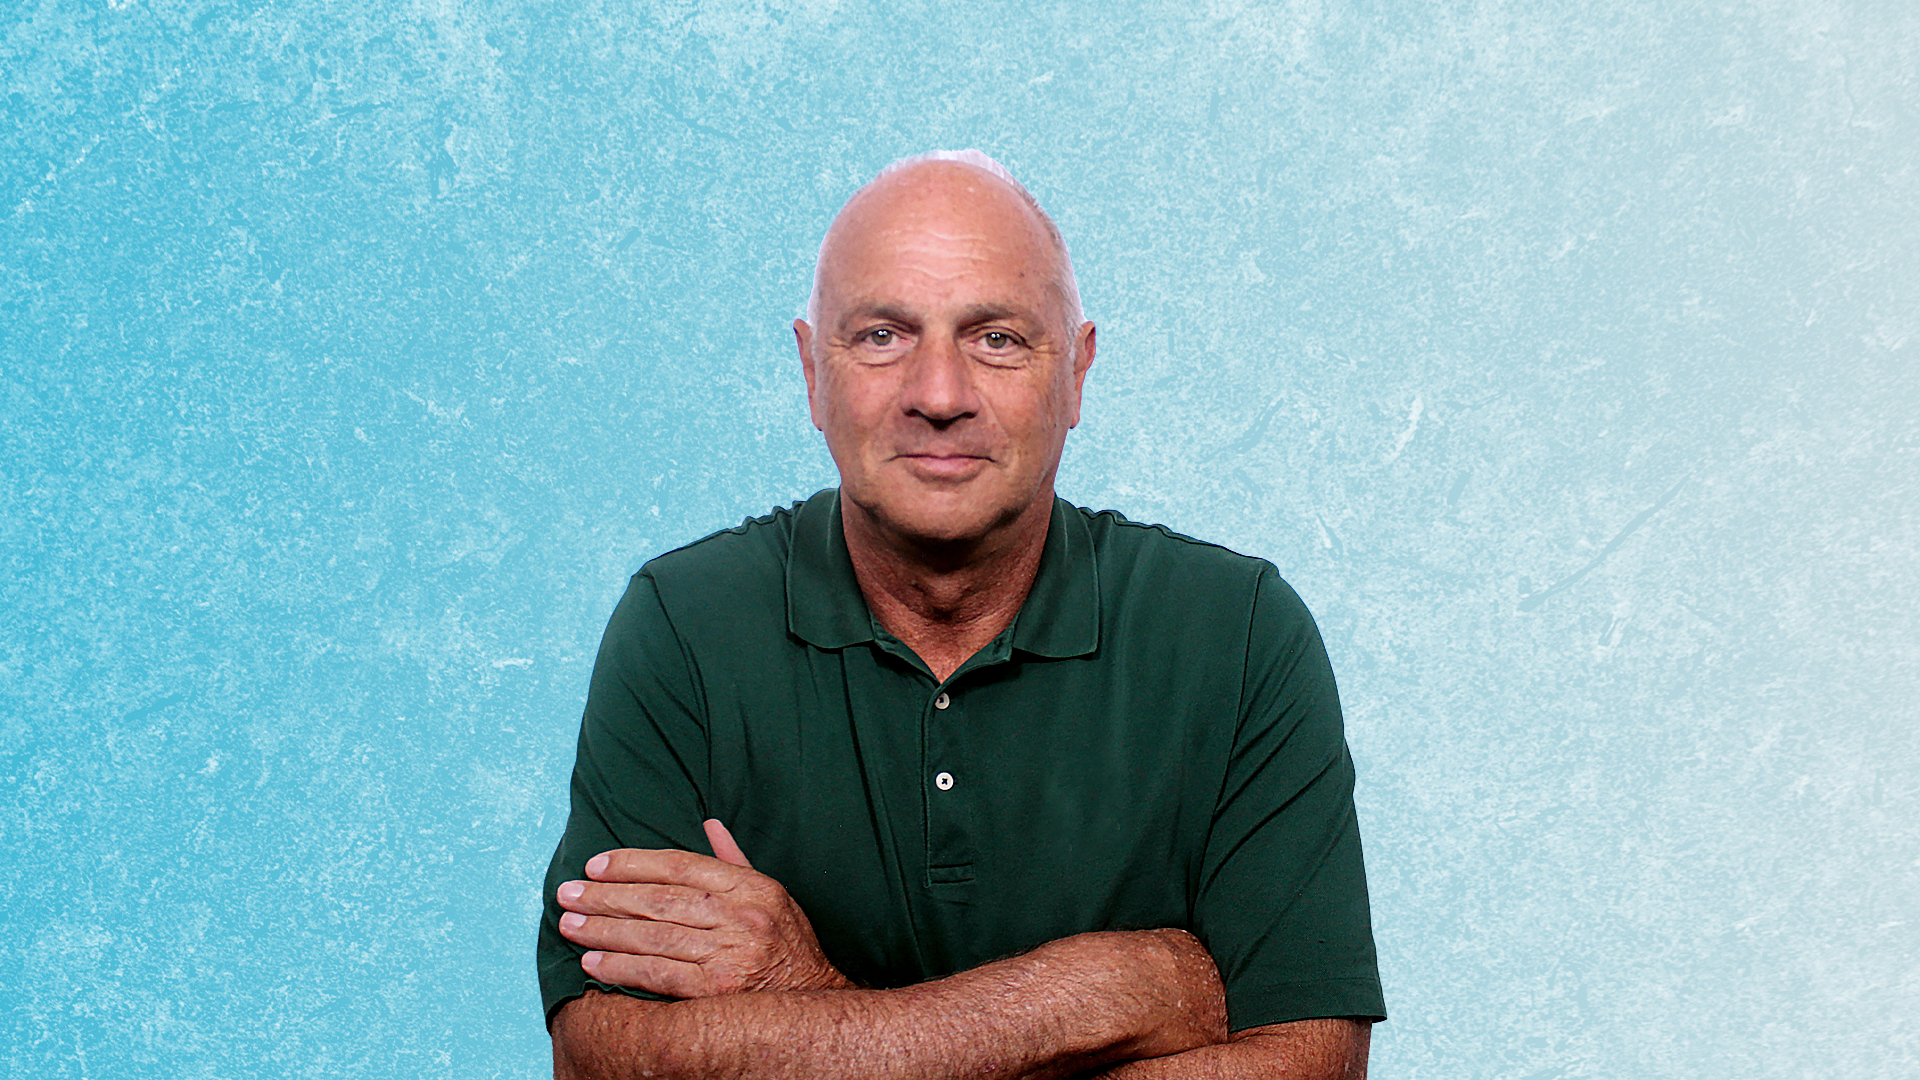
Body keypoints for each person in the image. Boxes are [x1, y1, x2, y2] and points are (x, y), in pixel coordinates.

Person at [536, 149, 1385, 1078]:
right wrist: (1112, 993)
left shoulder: (1240, 633)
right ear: (812, 374)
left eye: (997, 339)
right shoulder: (685, 626)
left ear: (1078, 377)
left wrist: (804, 999)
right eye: (882, 337)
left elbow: (1309, 1065)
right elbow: (606, 1059)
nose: (938, 395)